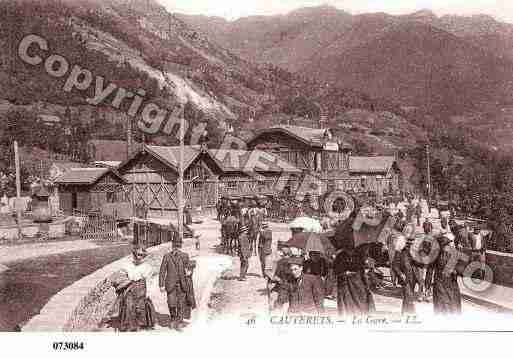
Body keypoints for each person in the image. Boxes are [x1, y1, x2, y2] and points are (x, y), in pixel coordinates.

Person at [117, 246, 155, 332]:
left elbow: (149, 280)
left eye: (141, 255)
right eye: (138, 254)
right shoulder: (128, 265)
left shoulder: (146, 267)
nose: (139, 257)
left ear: (143, 256)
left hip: (141, 287)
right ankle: (129, 325)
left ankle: (140, 324)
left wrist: (149, 292)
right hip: (131, 287)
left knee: (140, 306)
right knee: (129, 304)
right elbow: (122, 274)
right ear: (134, 255)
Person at [333, 245, 375, 317]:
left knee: (361, 301)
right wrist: (344, 273)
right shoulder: (340, 256)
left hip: (357, 282)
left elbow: (362, 269)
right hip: (345, 282)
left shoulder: (359, 255)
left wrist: (366, 269)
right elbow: (336, 270)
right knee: (347, 305)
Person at [159, 239, 191, 331]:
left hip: (182, 283)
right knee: (171, 303)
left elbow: (189, 268)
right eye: (175, 245)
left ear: (180, 246)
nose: (176, 247)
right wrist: (161, 284)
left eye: (178, 245)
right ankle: (173, 318)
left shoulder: (185, 256)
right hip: (170, 284)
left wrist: (189, 272)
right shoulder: (167, 256)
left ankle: (180, 321)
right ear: (172, 245)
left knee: (181, 303)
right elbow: (162, 271)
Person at [430, 234, 462, 315]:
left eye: (448, 244)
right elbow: (430, 270)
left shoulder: (453, 254)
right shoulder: (435, 255)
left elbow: (460, 269)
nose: (447, 247)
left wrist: (455, 271)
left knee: (452, 304)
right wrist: (427, 285)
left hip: (451, 283)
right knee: (441, 305)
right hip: (440, 283)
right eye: (446, 245)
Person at [391, 236, 416, 315]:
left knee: (408, 296)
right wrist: (401, 274)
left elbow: (414, 263)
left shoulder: (409, 252)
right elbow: (395, 265)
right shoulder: (399, 252)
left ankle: (404, 313)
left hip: (412, 277)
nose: (409, 245)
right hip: (404, 277)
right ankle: (411, 313)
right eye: (408, 243)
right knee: (408, 296)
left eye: (410, 243)